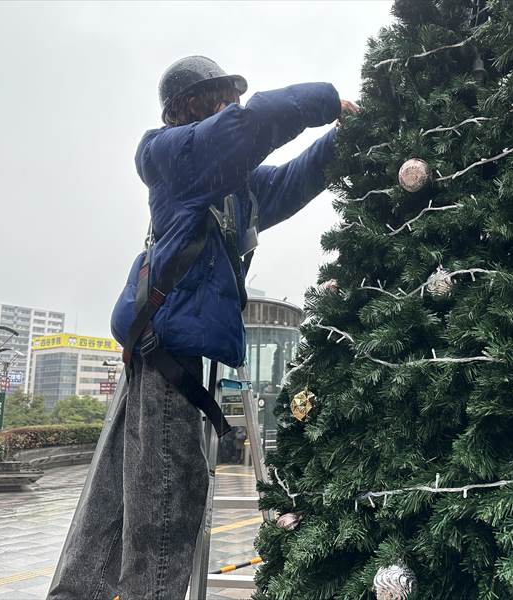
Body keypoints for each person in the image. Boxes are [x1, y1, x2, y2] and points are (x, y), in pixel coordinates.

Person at [48, 55, 358, 600]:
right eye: (223, 98)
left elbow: (293, 178)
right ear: (191, 108)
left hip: (163, 359)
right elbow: (251, 125)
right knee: (165, 516)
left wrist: (342, 139)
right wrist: (331, 100)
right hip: (168, 363)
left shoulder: (232, 188)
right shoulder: (169, 152)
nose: (233, 105)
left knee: (113, 513)